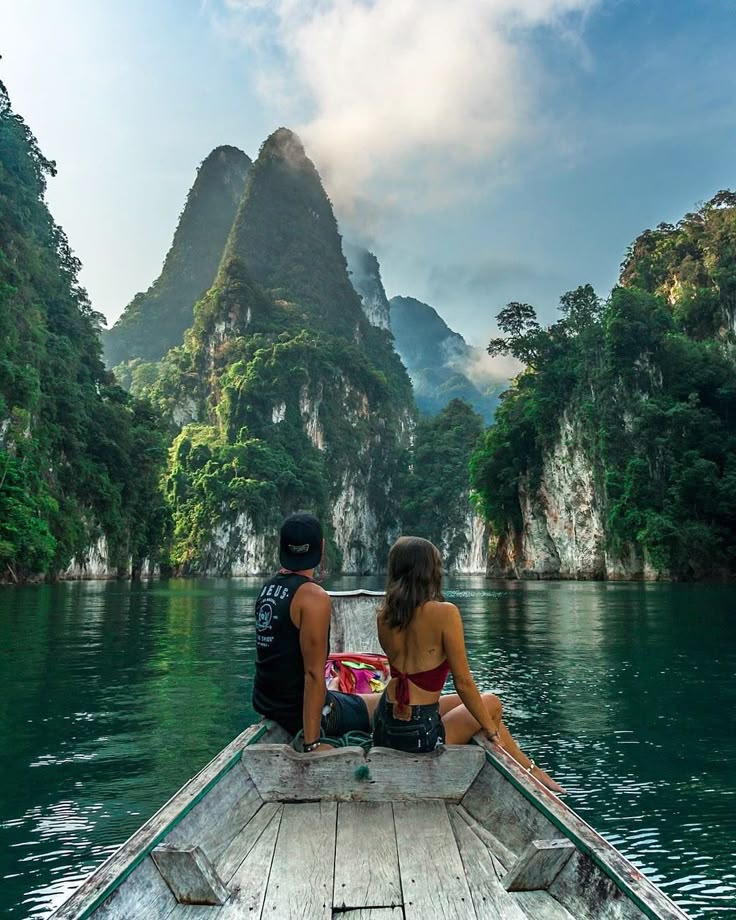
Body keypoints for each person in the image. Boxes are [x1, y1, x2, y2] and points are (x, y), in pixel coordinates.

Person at [373, 535, 565, 794]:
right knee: (492, 705)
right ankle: (531, 772)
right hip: (418, 736)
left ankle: (528, 768)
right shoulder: (445, 613)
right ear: (429, 571)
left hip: (385, 722)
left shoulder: (384, 614)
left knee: (468, 706)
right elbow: (463, 682)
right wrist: (490, 729)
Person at [252, 512, 380, 752]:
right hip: (306, 716)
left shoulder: (266, 590)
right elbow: (312, 675)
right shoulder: (313, 597)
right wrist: (312, 743)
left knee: (347, 696)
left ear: (281, 548)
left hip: (270, 706)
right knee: (385, 704)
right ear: (321, 548)